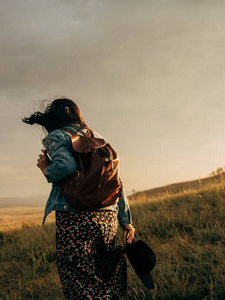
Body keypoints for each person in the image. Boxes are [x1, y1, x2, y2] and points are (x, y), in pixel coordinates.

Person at [22, 98, 135, 299]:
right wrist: (126, 222)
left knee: (79, 281)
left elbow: (65, 166)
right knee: (103, 277)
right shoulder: (98, 137)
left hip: (76, 219)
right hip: (107, 218)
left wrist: (45, 167)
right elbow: (117, 180)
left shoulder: (58, 136)